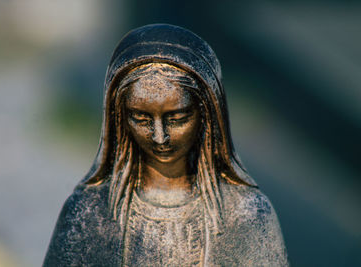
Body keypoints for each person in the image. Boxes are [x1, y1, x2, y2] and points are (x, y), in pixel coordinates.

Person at [44, 24, 288, 266]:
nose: (159, 137)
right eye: (141, 118)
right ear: (119, 117)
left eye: (177, 119)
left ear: (206, 115)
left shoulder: (245, 215)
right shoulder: (89, 214)